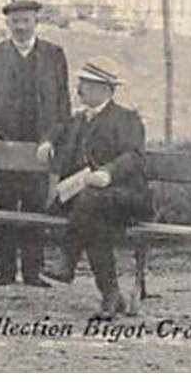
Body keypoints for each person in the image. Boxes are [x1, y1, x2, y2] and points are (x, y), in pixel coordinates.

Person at [0, 0, 71, 287]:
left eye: (26, 21)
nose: (21, 27)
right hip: (3, 144)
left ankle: (32, 271)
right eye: (15, 22)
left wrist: (51, 139)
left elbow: (62, 104)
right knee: (4, 204)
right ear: (7, 24)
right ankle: (3, 270)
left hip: (39, 147)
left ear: (36, 22)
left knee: (34, 206)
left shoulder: (53, 54)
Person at [45, 56, 151, 319]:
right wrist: (47, 141)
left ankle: (68, 261)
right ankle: (111, 297)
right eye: (80, 83)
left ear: (104, 88)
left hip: (125, 197)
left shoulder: (126, 119)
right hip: (90, 203)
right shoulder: (79, 120)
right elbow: (56, 130)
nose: (79, 89)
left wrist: (107, 172)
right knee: (94, 222)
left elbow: (134, 156)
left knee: (90, 204)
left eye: (86, 84)